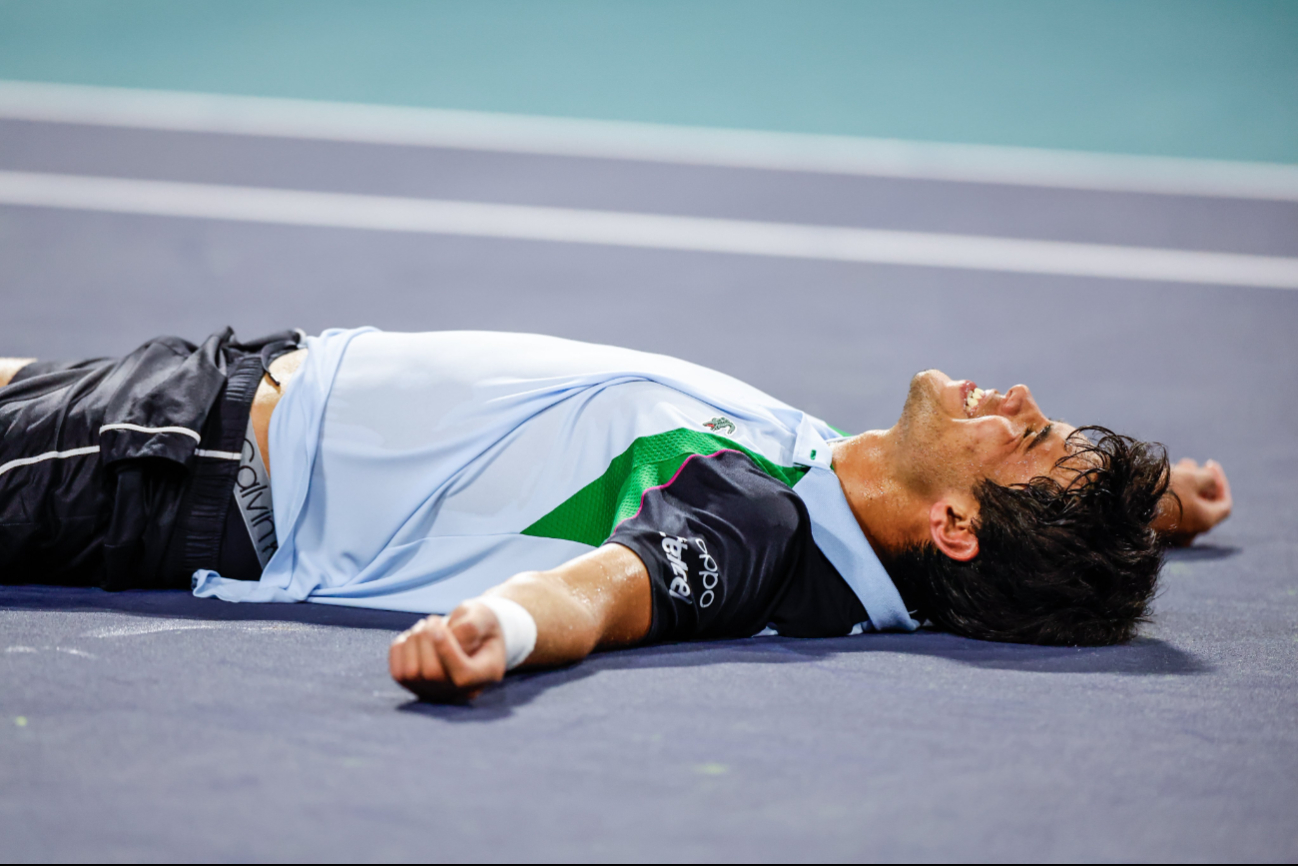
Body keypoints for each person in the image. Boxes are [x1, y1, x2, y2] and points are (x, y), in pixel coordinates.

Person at [0, 328, 1232, 703]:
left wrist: (503, 629)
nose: (1013, 396)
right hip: (197, 410)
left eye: (1018, 432)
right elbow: (1042, 526)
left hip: (183, 458)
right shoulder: (844, 494)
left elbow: (611, 587)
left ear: (955, 522)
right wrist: (1145, 509)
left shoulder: (758, 525)